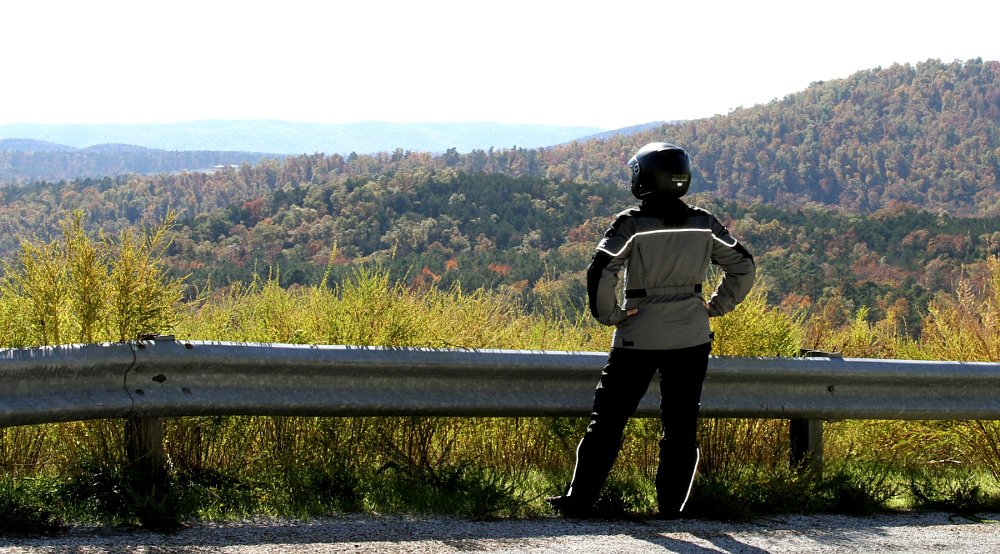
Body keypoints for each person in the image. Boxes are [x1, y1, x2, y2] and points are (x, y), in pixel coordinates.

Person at [547, 142, 756, 519]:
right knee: (680, 424)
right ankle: (671, 508)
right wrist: (717, 305)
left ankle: (579, 502)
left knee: (608, 420)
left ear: (644, 178)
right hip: (692, 336)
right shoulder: (704, 223)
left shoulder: (631, 224)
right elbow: (744, 266)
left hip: (638, 335)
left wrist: (611, 315)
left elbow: (600, 270)